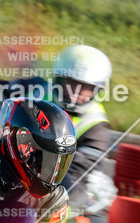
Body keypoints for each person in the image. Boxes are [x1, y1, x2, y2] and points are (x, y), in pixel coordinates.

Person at [45, 45, 114, 209]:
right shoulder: (37, 91)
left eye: (84, 87)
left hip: (52, 198)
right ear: (58, 80)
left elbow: (75, 178)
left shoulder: (96, 129)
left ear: (97, 90)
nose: (74, 92)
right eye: (70, 83)